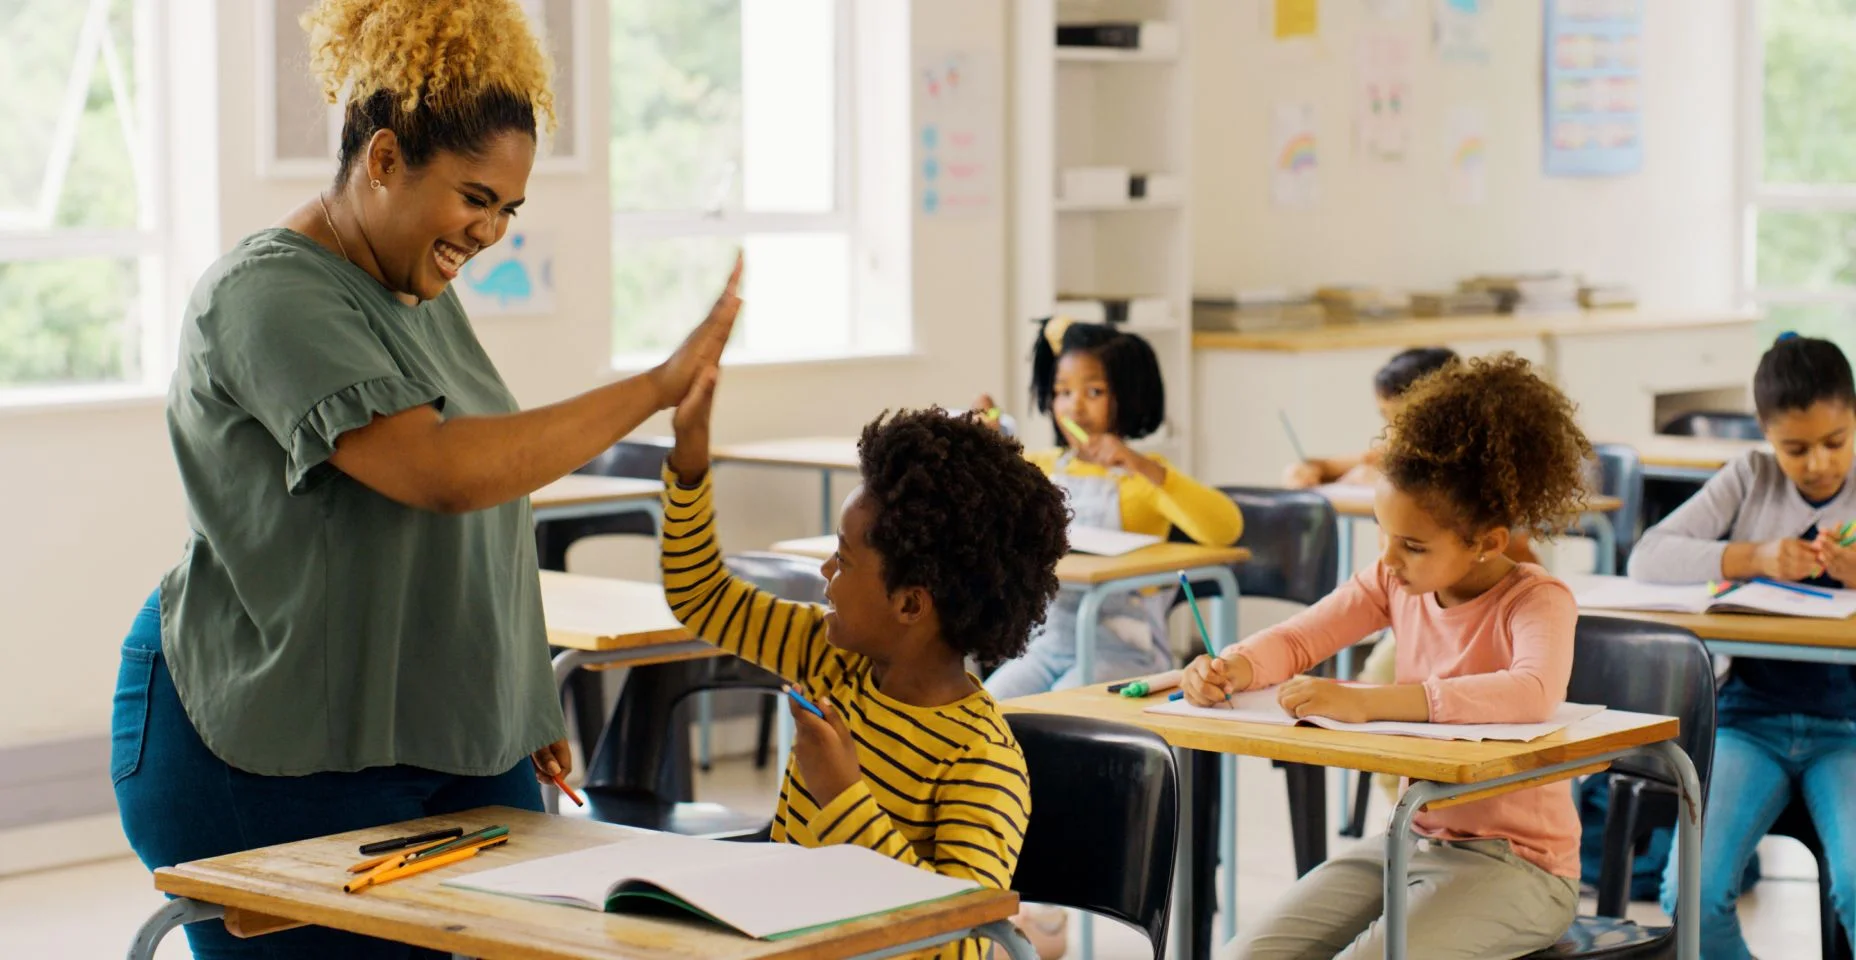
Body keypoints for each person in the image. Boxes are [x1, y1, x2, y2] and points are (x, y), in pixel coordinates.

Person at [110, 3, 740, 956]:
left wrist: (518, 697)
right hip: (261, 736)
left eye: (507, 209)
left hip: (438, 732)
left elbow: (490, 494)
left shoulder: (415, 290)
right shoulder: (268, 291)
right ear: (385, 158)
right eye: (474, 196)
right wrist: (654, 387)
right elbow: (439, 474)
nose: (488, 232)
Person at [1185, 353, 1594, 959]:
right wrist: (1234, 666)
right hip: (1415, 841)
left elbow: (1531, 692)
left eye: (1412, 545)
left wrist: (1367, 703)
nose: (1390, 558)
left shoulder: (1538, 601)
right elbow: (1301, 639)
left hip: (1523, 870)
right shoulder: (1392, 580)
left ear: (1485, 543)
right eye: (1384, 535)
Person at [658, 366, 1070, 960]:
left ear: (909, 604)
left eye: (844, 560)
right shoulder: (831, 660)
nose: (825, 572)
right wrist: (690, 465)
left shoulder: (981, 763)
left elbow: (955, 950)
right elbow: (702, 596)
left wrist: (843, 795)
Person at [1629, 332, 1856, 960]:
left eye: (1835, 442)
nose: (1817, 464)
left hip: (1848, 727)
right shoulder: (1749, 477)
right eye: (1795, 448)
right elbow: (1647, 556)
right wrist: (1753, 555)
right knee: (1690, 896)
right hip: (1748, 723)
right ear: (1764, 433)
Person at [976, 316, 1243, 699]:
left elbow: (1226, 527)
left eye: (1095, 392)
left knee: (1057, 713)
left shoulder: (1142, 476)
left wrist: (1144, 467)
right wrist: (986, 436)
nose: (1075, 408)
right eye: (1063, 392)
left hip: (1127, 653)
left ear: (1126, 397)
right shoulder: (1044, 467)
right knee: (990, 707)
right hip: (1048, 645)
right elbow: (987, 487)